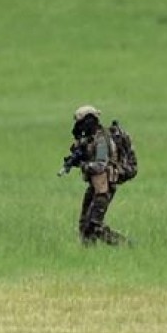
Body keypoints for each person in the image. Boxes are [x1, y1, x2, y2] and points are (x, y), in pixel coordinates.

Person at [67, 105, 125, 246]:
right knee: (83, 224)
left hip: (104, 189)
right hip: (95, 186)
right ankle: (88, 254)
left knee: (94, 225)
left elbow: (100, 165)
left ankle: (124, 245)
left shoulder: (101, 140)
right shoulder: (90, 139)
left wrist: (83, 165)